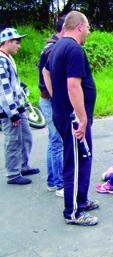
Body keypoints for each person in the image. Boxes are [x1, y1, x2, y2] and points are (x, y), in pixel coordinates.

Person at [42, 11, 99, 226]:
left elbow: (46, 73)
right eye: (88, 28)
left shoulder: (56, 47)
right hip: (73, 117)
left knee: (83, 158)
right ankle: (73, 212)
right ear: (79, 27)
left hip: (66, 113)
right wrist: (82, 118)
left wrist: (57, 98)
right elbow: (73, 85)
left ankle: (81, 201)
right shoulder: (74, 48)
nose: (89, 32)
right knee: (74, 162)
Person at [0, 28, 40, 185]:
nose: (19, 46)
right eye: (17, 42)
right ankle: (13, 174)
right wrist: (13, 113)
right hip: (9, 111)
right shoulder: (1, 61)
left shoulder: (8, 57)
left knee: (26, 137)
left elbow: (13, 84)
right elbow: (3, 90)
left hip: (17, 106)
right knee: (13, 141)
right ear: (7, 42)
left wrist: (21, 107)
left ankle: (23, 165)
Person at [38, 16, 65, 197]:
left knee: (53, 141)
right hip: (50, 100)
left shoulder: (51, 46)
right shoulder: (53, 49)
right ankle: (59, 184)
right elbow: (50, 76)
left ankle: (52, 180)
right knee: (57, 141)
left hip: (47, 99)